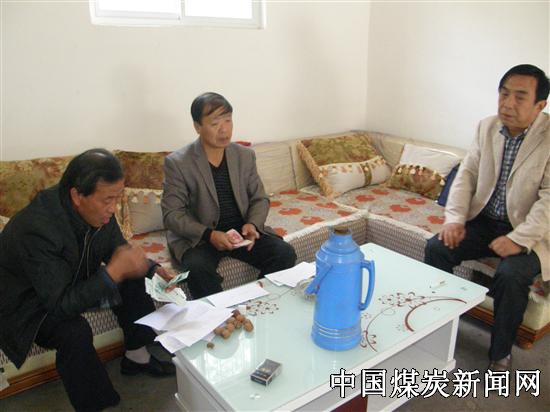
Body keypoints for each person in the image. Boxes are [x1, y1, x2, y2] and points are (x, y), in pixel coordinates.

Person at [0, 149, 176, 411]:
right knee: (74, 331)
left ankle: (136, 355)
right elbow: (59, 305)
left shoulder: (98, 210)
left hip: (66, 280)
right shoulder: (37, 228)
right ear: (77, 196)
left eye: (117, 198)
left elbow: (117, 247)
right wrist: (112, 272)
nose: (113, 208)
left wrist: (151, 268)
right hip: (28, 303)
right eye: (108, 200)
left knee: (132, 273)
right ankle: (96, 405)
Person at [424, 64, 549, 372]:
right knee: (437, 247)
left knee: (511, 275)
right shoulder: (487, 127)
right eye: (504, 94)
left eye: (520, 97)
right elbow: (466, 175)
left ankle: (500, 352)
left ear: (540, 105)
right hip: (485, 221)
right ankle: (441, 324)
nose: (508, 104)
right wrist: (455, 219)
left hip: (532, 232)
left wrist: (518, 239)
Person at [162, 92, 297, 299]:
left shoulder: (244, 155)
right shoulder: (178, 163)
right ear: (197, 126)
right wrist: (209, 234)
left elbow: (259, 198)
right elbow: (172, 215)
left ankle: (256, 302)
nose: (224, 129)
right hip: (202, 237)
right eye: (215, 123)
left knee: (284, 253)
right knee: (196, 269)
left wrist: (252, 224)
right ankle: (223, 314)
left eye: (228, 120)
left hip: (240, 231)